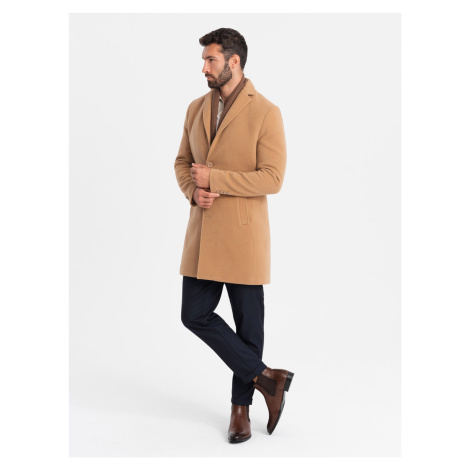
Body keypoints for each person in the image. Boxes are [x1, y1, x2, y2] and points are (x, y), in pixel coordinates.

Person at [174, 27, 294, 443]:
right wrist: (194, 191)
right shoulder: (195, 108)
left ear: (234, 61)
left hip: (244, 237)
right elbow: (182, 162)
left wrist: (217, 179)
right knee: (194, 314)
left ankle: (240, 409)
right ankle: (268, 379)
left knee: (248, 327)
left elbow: (273, 178)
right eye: (204, 60)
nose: (204, 68)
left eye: (211, 60)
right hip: (204, 234)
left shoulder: (266, 112)